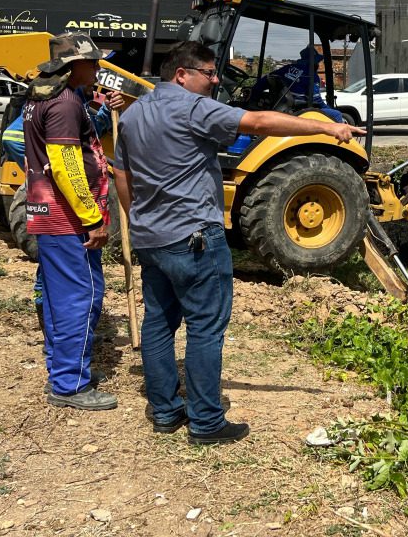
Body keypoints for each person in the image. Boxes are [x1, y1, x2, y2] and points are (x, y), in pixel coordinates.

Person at [114, 41, 364, 444]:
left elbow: (122, 176)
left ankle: (164, 411)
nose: (215, 80)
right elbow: (261, 122)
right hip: (194, 236)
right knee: (205, 328)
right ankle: (207, 422)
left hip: (151, 237)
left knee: (158, 324)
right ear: (182, 74)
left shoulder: (134, 112)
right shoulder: (193, 107)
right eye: (209, 73)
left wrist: (139, 220)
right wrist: (325, 126)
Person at [24, 33, 117, 411]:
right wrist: (92, 218)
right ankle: (68, 384)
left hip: (51, 217)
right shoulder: (63, 103)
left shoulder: (43, 96)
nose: (97, 69)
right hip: (67, 220)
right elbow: (66, 168)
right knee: (80, 298)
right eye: (92, 62)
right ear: (72, 64)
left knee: (59, 297)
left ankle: (65, 369)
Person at [249, 45, 344, 122]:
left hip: (280, 104)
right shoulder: (311, 75)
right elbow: (316, 100)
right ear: (313, 62)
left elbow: (266, 79)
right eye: (317, 62)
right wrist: (328, 107)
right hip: (299, 107)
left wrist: (253, 98)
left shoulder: (287, 68)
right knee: (336, 114)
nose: (318, 65)